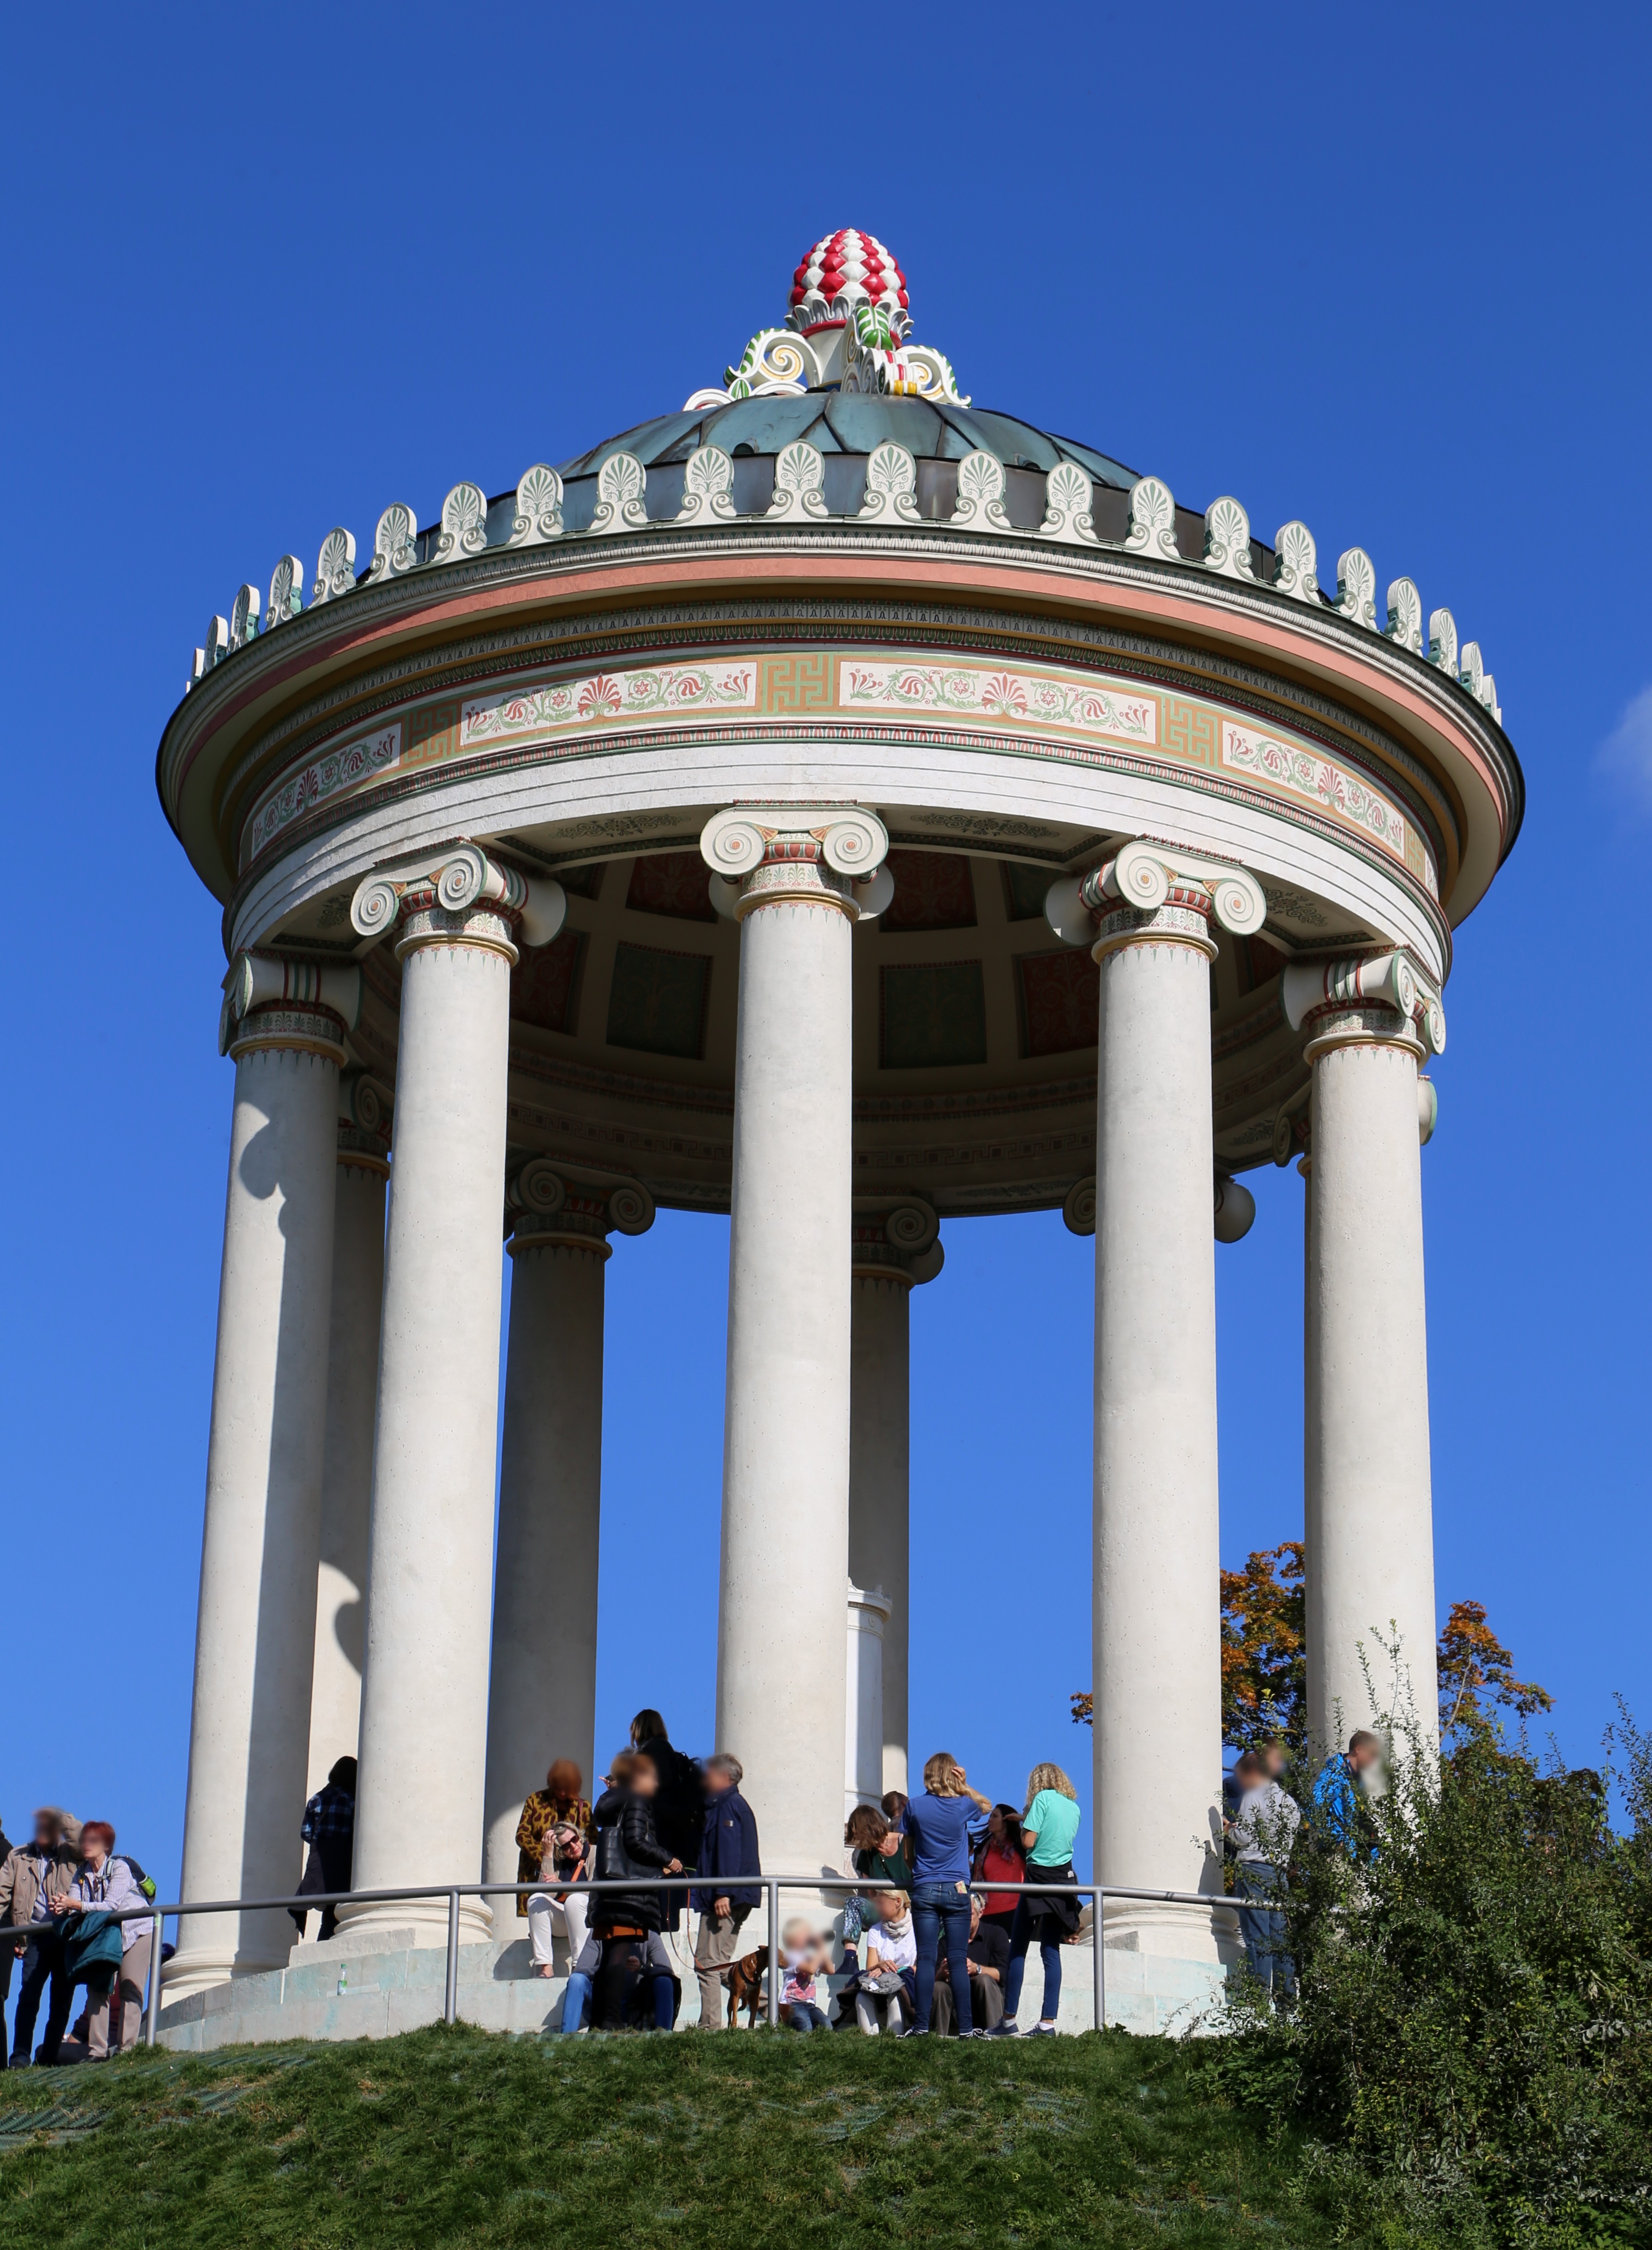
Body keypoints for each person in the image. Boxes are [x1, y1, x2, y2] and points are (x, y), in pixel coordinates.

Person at [560, 1752, 681, 2033]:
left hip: (611, 1892)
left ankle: (603, 2020)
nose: (655, 1782)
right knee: (617, 1957)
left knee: (613, 1954)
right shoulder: (637, 1801)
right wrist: (667, 1859)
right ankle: (611, 2021)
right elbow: (636, 1842)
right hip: (630, 1894)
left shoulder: (612, 1804)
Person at [899, 1752, 991, 2038]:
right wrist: (964, 1786)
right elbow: (987, 1806)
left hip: (925, 1887)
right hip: (958, 1888)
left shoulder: (914, 1807)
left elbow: (907, 1854)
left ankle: (921, 2026)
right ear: (952, 1775)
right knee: (957, 1958)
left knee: (926, 1958)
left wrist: (922, 1873)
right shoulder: (963, 1805)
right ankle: (965, 2028)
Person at [992, 1763, 1083, 2038]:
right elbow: (1055, 1834)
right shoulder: (1073, 1807)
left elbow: (1030, 1842)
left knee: (1018, 1948)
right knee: (1051, 1951)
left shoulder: (1041, 1800)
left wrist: (1023, 1825)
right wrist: (1025, 1816)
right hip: (1064, 1880)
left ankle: (1008, 2020)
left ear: (1038, 1782)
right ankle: (1048, 2023)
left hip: (1038, 1878)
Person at [51, 1822, 154, 2059]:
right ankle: (96, 2051)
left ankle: (126, 2050)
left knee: (130, 1985)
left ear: (106, 1845)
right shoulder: (81, 1874)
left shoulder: (120, 1867)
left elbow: (111, 1905)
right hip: (105, 1935)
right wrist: (63, 1907)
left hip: (136, 1931)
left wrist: (75, 1904)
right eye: (84, 1839)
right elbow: (76, 1907)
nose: (86, 1844)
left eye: (93, 1840)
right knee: (98, 1985)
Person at [1, 1808, 79, 2066]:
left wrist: (60, 1815)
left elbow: (81, 1836)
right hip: (34, 1937)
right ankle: (20, 2056)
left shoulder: (71, 1854)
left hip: (65, 1936)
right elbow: (2, 1895)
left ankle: (48, 2057)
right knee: (29, 1996)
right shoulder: (18, 1856)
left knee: (61, 2000)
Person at [689, 1754, 761, 2028]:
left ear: (723, 1777)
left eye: (709, 1774)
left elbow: (729, 1853)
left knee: (708, 1964)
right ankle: (777, 2009)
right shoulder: (729, 1806)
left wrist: (724, 1893)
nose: (705, 1779)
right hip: (728, 1895)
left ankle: (709, 2028)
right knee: (717, 1965)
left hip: (725, 1898)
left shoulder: (728, 1807)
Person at [1226, 1744, 1300, 2001]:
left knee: (1258, 1939)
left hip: (1254, 1871)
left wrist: (1228, 1829)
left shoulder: (1254, 1796)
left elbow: (1243, 1837)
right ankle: (1286, 2005)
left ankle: (1257, 2004)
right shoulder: (1290, 1804)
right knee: (1280, 1943)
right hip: (1280, 1875)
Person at [628, 1712, 702, 1933]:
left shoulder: (653, 1752)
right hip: (677, 1831)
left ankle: (660, 1932)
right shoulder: (666, 1751)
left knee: (661, 1890)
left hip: (663, 1833)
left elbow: (656, 1790)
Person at [515, 1759, 593, 1930]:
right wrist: (543, 1854)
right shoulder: (535, 1801)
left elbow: (593, 1841)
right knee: (537, 1907)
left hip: (572, 1872)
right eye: (559, 1787)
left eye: (567, 1787)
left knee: (574, 1906)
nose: (563, 1792)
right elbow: (522, 1834)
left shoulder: (583, 1807)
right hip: (537, 1870)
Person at [292, 1758, 356, 1942]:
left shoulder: (316, 1799)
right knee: (336, 1909)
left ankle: (322, 1944)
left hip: (320, 1860)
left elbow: (306, 1833)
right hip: (343, 1862)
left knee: (328, 1908)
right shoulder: (350, 1799)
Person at [931, 1892, 1009, 2036]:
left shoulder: (997, 1935)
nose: (965, 1919)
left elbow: (1004, 1974)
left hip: (989, 2003)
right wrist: (942, 1972)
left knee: (983, 1979)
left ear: (981, 1913)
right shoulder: (945, 1941)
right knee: (939, 1987)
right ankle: (938, 2039)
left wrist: (977, 1969)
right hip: (956, 2008)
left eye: (970, 1914)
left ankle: (995, 2036)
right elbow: (931, 1979)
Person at [526, 1815, 591, 1983]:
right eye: (566, 1846)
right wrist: (547, 1854)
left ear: (580, 1836)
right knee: (535, 1900)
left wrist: (563, 1885)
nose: (574, 1846)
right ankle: (545, 1967)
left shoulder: (595, 1853)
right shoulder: (560, 1863)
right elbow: (544, 1893)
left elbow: (595, 1894)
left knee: (574, 1901)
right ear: (560, 1851)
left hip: (589, 1917)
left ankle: (579, 1966)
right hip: (565, 1918)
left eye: (575, 1839)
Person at [1311, 1730, 1380, 1861]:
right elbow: (1314, 1805)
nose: (1374, 1760)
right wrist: (1334, 1840)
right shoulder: (1336, 1772)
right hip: (1337, 1855)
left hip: (1352, 1857)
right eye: (1372, 1754)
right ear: (1359, 1749)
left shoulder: (1357, 1781)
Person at [853, 1890, 915, 2034]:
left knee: (894, 1994)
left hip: (907, 1982)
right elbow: (871, 1968)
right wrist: (880, 1965)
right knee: (862, 1995)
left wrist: (900, 1970)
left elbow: (922, 1967)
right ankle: (869, 2040)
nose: (877, 1908)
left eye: (881, 1903)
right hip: (881, 1981)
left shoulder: (917, 1929)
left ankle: (894, 2039)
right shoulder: (875, 1930)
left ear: (898, 1902)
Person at [973, 1805, 1025, 1943]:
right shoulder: (982, 1850)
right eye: (990, 1816)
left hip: (1016, 1911)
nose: (990, 1820)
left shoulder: (1021, 1846)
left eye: (995, 1816)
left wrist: (1022, 1818)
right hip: (988, 1914)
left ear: (1007, 1819)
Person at [779, 1918, 832, 2033]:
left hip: (809, 2004)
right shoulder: (790, 1956)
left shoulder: (809, 1957)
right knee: (805, 2026)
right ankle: (798, 2043)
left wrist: (822, 1948)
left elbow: (831, 1970)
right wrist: (820, 1949)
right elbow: (811, 1969)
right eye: (805, 1934)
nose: (809, 1936)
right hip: (792, 2004)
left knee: (826, 2025)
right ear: (792, 1938)